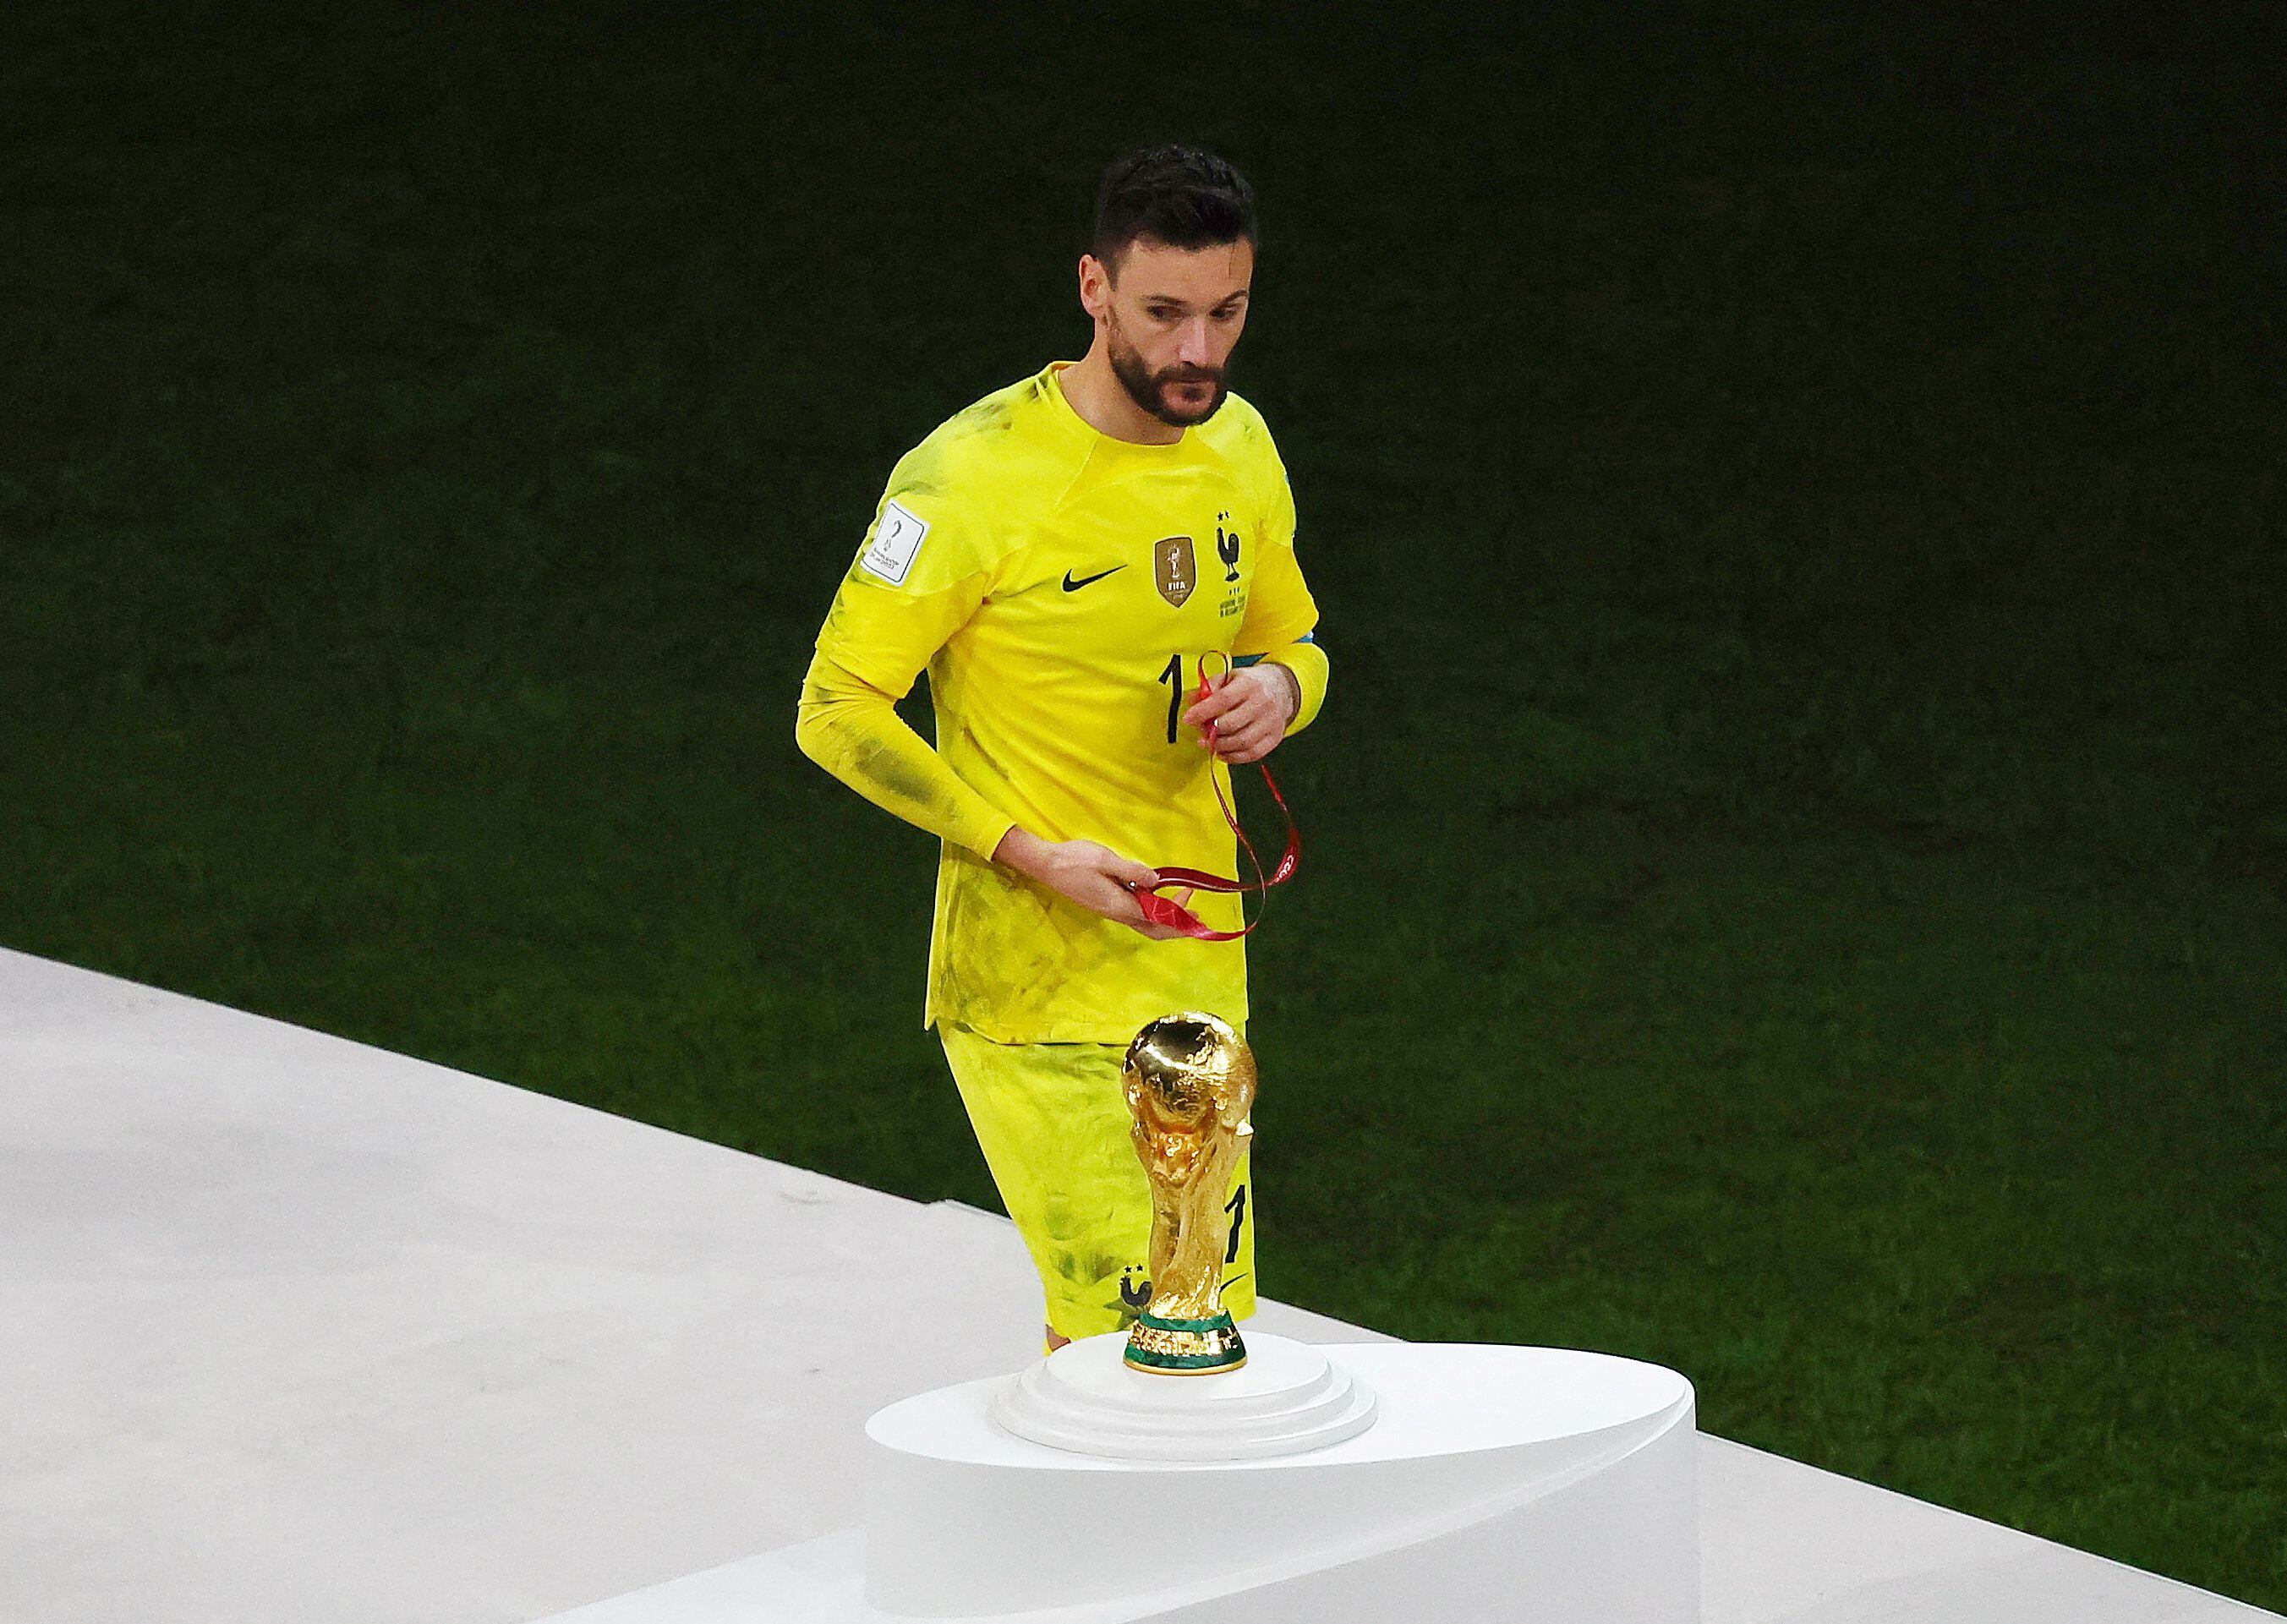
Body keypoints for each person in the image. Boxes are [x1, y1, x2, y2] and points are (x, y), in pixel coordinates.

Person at [794, 144, 1328, 1353]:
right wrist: (1028, 850)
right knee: (1134, 1329)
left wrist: (1281, 690)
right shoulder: (967, 480)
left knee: (1196, 1318)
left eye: (1225, 313)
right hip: (1036, 979)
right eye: (1163, 315)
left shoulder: (1237, 447)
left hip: (1197, 959)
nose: (1197, 350)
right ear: (1093, 289)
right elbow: (834, 710)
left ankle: (1108, 1535)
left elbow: (1293, 636)